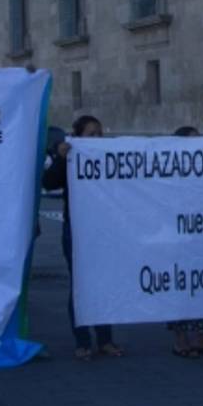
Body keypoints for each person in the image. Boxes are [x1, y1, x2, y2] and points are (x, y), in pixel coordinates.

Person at [42, 115, 125, 361]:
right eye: (91, 134)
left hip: (104, 230)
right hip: (77, 230)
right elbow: (48, 182)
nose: (97, 138)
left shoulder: (108, 156)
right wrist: (62, 158)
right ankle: (82, 341)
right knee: (80, 285)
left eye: (100, 133)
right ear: (77, 136)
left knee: (103, 284)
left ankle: (105, 340)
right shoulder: (70, 157)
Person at [166, 125, 203, 358]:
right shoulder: (169, 172)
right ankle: (180, 341)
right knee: (181, 288)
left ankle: (202, 339)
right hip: (178, 239)